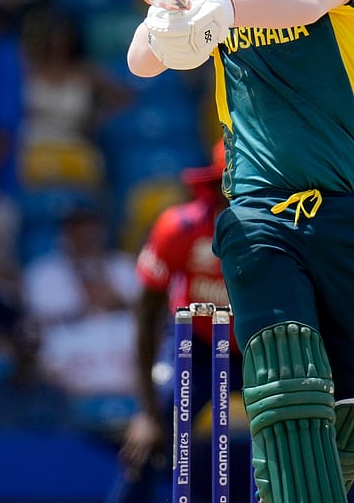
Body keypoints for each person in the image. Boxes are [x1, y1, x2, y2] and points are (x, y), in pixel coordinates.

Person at [126, 0, 354, 501]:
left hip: (348, 211)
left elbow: (307, 2)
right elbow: (141, 62)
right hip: (259, 213)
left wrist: (218, 8)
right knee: (285, 380)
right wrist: (168, 17)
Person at [111, 142, 232, 502]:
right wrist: (148, 413)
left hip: (261, 351)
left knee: (310, 441)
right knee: (150, 441)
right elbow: (147, 315)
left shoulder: (284, 231)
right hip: (197, 347)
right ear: (218, 185)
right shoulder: (178, 228)